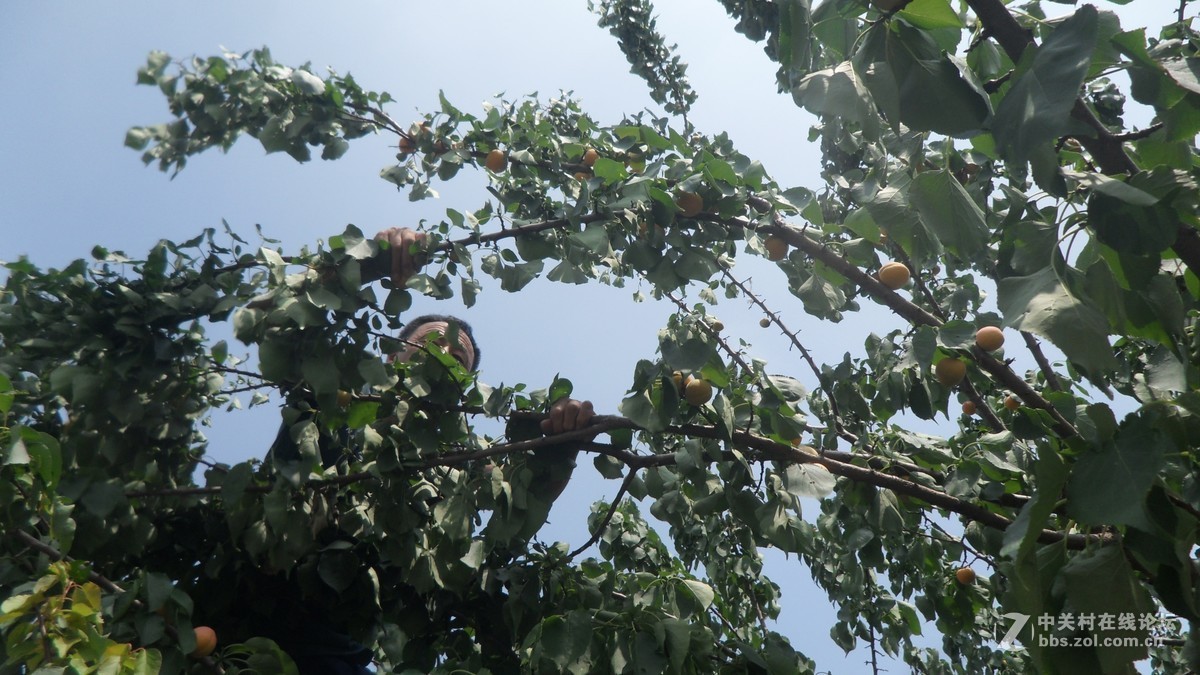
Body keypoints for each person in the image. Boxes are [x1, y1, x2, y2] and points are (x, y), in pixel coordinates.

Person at [252, 229, 596, 674]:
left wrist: (557, 450)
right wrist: (367, 262)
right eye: (431, 341)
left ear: (462, 388)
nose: (444, 352)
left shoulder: (458, 465)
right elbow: (274, 321)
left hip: (337, 650)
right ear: (392, 354)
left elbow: (509, 526)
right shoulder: (338, 396)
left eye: (458, 357)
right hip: (250, 601)